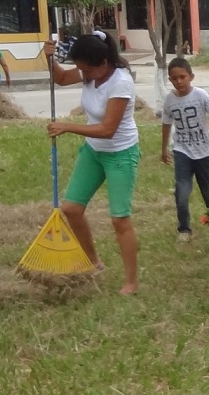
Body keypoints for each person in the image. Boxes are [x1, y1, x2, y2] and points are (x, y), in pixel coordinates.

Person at [47, 31, 141, 295]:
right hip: (93, 152)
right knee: (72, 208)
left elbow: (108, 129)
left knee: (119, 220)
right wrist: (50, 59)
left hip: (121, 153)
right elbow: (62, 78)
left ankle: (131, 282)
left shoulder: (120, 83)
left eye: (86, 70)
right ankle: (93, 262)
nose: (82, 75)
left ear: (103, 63)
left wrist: (67, 126)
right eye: (80, 69)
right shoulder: (90, 71)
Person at [159, 57, 209, 241]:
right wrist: (164, 149)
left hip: (203, 151)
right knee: (182, 191)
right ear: (170, 79)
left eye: (182, 77)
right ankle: (184, 229)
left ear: (191, 76)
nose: (179, 81)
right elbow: (166, 125)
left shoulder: (201, 96)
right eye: (174, 78)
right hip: (182, 150)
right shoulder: (169, 100)